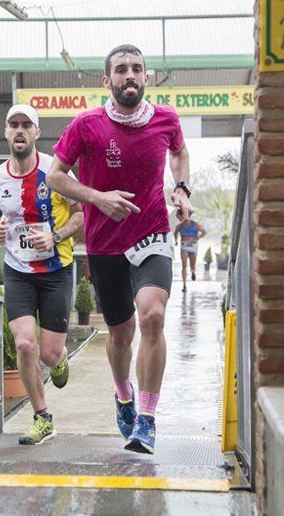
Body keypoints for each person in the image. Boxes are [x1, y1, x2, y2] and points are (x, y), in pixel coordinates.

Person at [47, 44, 193, 454]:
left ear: (146, 77)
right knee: (121, 335)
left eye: (137, 69)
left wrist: (180, 188)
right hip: (106, 244)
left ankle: (146, 419)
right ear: (107, 80)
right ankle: (123, 392)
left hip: (152, 234)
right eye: (121, 70)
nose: (130, 75)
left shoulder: (166, 119)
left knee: (153, 316)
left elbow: (179, 151)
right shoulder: (86, 125)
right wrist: (96, 197)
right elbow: (56, 177)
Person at [0, 104, 84, 446]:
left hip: (56, 271)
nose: (19, 130)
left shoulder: (56, 173)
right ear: (6, 133)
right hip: (18, 272)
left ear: (37, 133)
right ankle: (42, 418)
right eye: (13, 125)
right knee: (24, 344)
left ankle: (60, 358)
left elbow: (81, 217)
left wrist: (56, 235)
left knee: (49, 355)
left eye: (27, 125)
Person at [174, 217, 207, 291]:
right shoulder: (179, 225)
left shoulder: (195, 224)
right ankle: (184, 285)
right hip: (184, 247)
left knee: (192, 264)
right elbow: (175, 232)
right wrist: (176, 240)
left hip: (193, 247)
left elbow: (204, 232)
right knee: (184, 265)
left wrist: (198, 238)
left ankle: (193, 271)